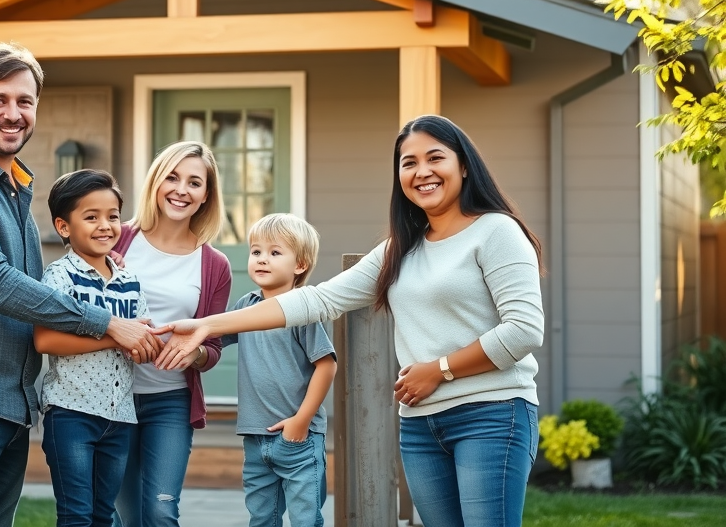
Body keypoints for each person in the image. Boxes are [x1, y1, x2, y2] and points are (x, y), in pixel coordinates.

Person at [157, 115, 545, 527]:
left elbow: (523, 329)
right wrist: (210, 325)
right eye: (408, 163)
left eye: (435, 158)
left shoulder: (495, 231)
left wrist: (440, 370)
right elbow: (318, 299)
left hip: (491, 413)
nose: (422, 172)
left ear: (463, 165)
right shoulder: (400, 249)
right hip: (420, 424)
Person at [0, 42, 160, 527]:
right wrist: (109, 324)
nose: (13, 114)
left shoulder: (14, 188)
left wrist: (100, 256)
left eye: (24, 101)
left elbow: (31, 283)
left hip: (10, 399)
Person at [112, 141, 232, 527]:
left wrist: (192, 353)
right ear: (156, 182)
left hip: (170, 403)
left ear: (206, 196)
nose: (182, 190)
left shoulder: (214, 264)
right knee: (126, 515)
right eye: (173, 177)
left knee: (161, 511)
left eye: (194, 182)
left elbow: (211, 347)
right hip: (112, 399)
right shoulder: (116, 240)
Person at [33, 169, 147, 527]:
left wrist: (144, 345)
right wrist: (119, 335)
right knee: (76, 515)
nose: (105, 226)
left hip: (120, 418)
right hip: (71, 414)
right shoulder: (59, 277)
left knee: (103, 516)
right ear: (64, 227)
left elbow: (143, 339)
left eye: (112, 216)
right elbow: (45, 340)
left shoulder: (130, 281)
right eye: (91, 217)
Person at [221, 213, 336, 527]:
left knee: (304, 520)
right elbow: (217, 340)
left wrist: (301, 421)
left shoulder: (302, 308)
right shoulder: (246, 305)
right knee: (261, 518)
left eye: (275, 252)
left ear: (299, 265)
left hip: (298, 438)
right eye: (256, 251)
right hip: (255, 436)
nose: (261, 259)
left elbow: (326, 366)